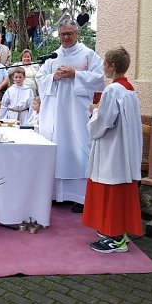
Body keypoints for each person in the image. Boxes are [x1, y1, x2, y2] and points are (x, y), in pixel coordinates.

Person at [35, 19, 104, 212]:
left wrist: (76, 75)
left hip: (77, 112)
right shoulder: (53, 56)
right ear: (58, 35)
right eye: (62, 34)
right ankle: (56, 194)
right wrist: (53, 77)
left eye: (69, 34)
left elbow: (100, 79)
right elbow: (40, 78)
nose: (65, 37)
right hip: (55, 112)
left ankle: (80, 197)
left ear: (76, 34)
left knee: (79, 149)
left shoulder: (88, 55)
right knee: (56, 148)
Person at [83, 47, 143, 253]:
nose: (103, 67)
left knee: (111, 189)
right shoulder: (129, 90)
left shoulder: (112, 90)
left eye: (105, 64)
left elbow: (105, 121)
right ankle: (114, 230)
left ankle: (116, 238)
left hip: (112, 148)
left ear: (112, 66)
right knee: (117, 189)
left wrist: (94, 112)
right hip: (123, 148)